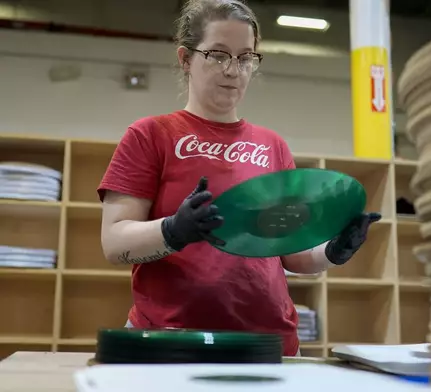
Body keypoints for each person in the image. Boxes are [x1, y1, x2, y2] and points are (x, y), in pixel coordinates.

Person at [97, 0, 381, 357]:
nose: (233, 70)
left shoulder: (273, 145)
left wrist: (333, 250)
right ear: (186, 59)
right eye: (218, 54)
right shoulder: (150, 135)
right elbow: (113, 242)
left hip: (267, 345)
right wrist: (174, 230)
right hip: (171, 343)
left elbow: (292, 254)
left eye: (245, 57)